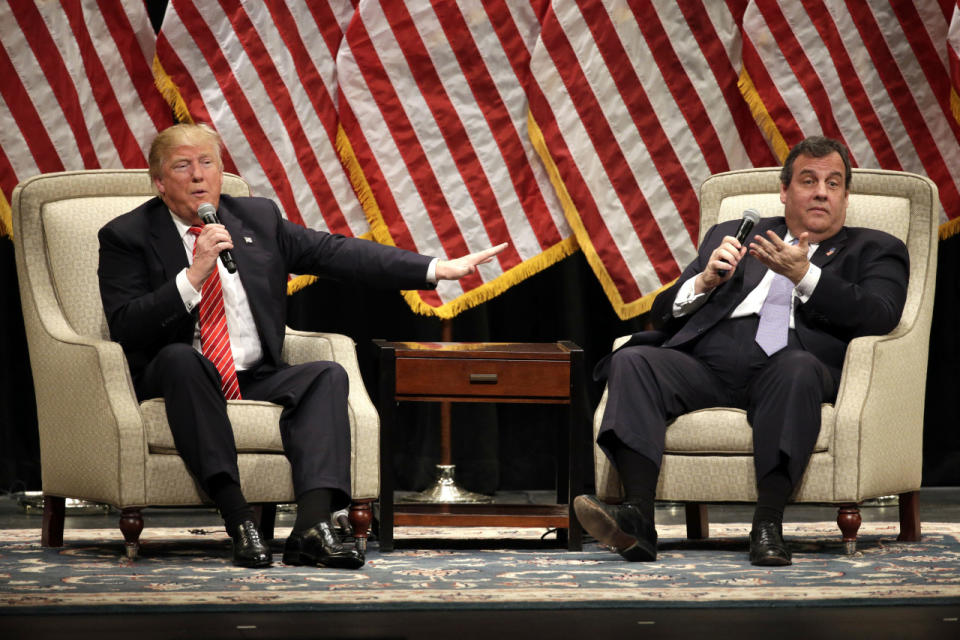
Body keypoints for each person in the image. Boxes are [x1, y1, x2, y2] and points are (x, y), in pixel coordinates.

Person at [98, 123, 507, 569]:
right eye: (183, 166)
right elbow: (127, 327)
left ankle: (311, 528)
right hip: (175, 376)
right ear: (159, 182)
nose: (198, 176)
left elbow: (337, 253)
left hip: (252, 375)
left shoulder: (256, 219)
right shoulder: (127, 235)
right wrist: (194, 274)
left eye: (207, 162)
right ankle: (239, 520)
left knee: (326, 376)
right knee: (182, 358)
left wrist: (433, 269)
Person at [574, 136, 909, 566]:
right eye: (808, 180)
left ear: (846, 196)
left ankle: (767, 525)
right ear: (785, 191)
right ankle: (638, 518)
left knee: (797, 370)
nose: (822, 191)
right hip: (706, 364)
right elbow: (662, 315)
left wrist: (805, 275)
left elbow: (880, 315)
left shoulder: (876, 248)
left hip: (789, 365)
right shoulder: (734, 234)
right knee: (634, 360)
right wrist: (703, 283)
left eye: (833, 182)